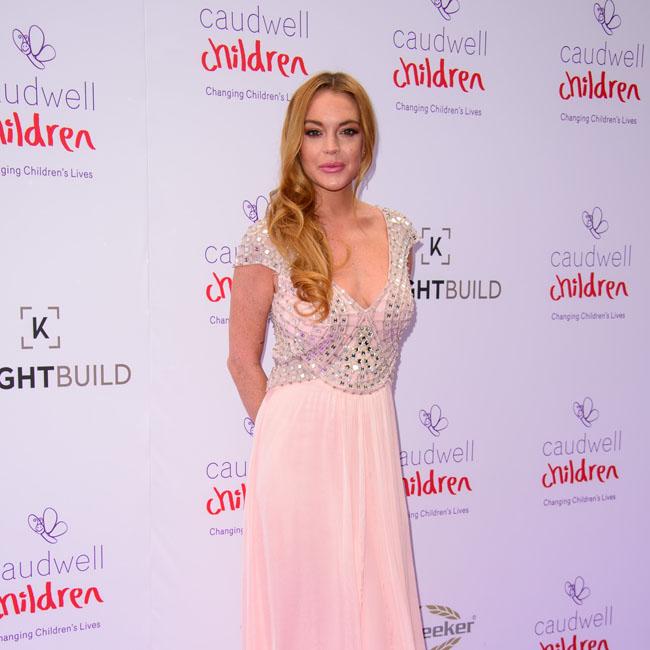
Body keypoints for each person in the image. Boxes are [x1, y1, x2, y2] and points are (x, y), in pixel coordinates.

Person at [228, 71, 425, 650]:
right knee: (310, 614)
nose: (331, 148)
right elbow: (241, 360)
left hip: (374, 440)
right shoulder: (269, 238)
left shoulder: (398, 232)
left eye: (347, 131)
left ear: (367, 140)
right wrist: (282, 437)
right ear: (296, 141)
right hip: (297, 453)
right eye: (315, 132)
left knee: (374, 606)